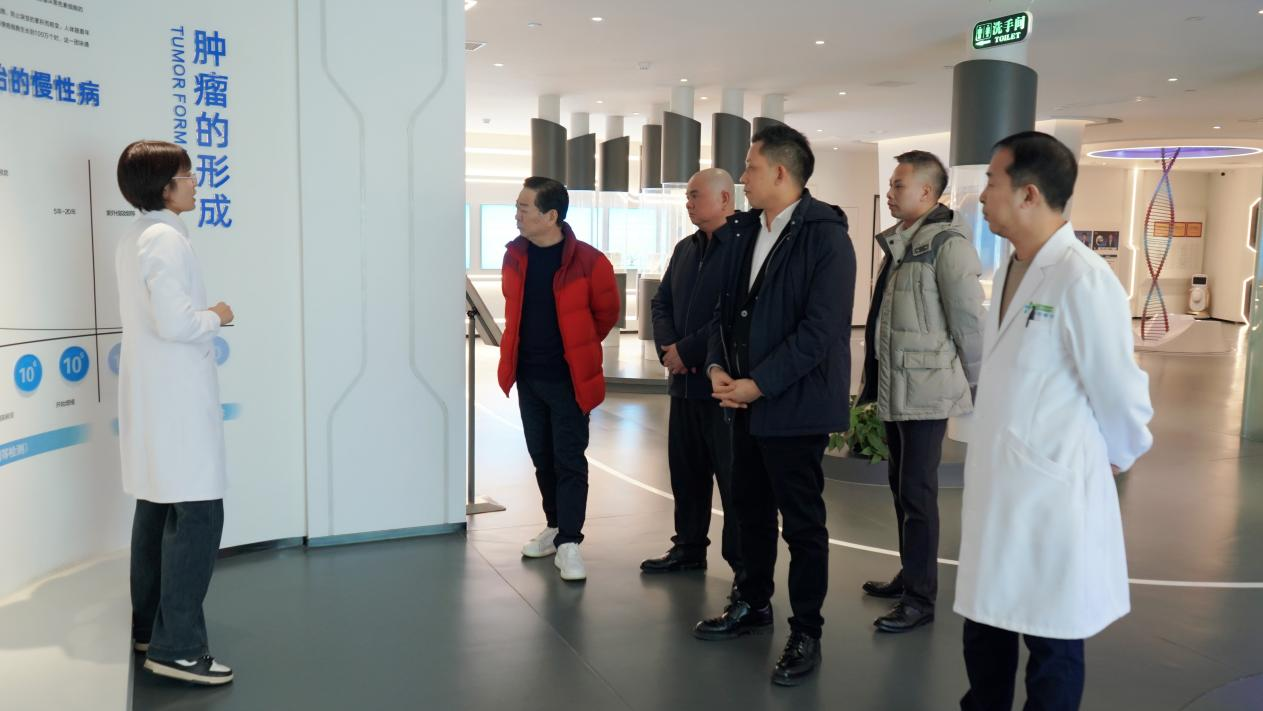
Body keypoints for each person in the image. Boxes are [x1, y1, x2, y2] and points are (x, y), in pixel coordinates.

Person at [955, 131, 1154, 710]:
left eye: (991, 181)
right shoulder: (1013, 269)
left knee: (1051, 644)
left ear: (1029, 194)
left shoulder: (1081, 277)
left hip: (1051, 495)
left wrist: (1117, 455)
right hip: (1000, 489)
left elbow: (1120, 392)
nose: (982, 195)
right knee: (985, 632)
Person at [692, 125, 856, 687]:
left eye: (751, 167)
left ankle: (806, 629)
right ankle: (752, 601)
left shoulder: (826, 237)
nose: (742, 177)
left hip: (795, 406)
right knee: (748, 509)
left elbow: (820, 331)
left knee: (802, 525)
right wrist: (717, 367)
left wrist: (758, 384)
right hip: (743, 402)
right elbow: (722, 313)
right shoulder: (744, 232)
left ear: (781, 172)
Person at [115, 140, 235, 686]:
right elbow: (177, 322)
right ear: (165, 187)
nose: (195, 184)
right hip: (177, 399)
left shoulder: (135, 236)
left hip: (156, 396)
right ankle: (179, 647)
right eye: (187, 176)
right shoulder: (165, 239)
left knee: (157, 509)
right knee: (199, 518)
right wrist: (216, 315)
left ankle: (149, 629)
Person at [858, 151, 984, 633]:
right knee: (900, 486)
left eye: (898, 185)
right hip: (899, 385)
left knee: (917, 492)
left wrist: (979, 385)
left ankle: (920, 598)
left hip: (926, 390)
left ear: (927, 193)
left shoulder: (946, 245)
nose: (890, 193)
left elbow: (969, 323)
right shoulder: (903, 242)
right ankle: (910, 575)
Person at [498, 176, 620, 582]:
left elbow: (606, 315)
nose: (517, 215)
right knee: (541, 458)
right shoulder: (514, 257)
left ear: (551, 216)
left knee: (569, 460)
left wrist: (576, 348)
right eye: (517, 207)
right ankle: (554, 527)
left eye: (524, 208)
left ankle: (570, 541)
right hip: (529, 377)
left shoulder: (591, 262)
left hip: (569, 381)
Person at [641, 168, 743, 589]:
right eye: (687, 196)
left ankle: (744, 570)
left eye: (695, 195)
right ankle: (688, 547)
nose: (688, 203)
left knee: (734, 482)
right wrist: (670, 349)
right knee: (686, 473)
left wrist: (687, 351)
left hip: (722, 389)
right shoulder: (686, 248)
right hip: (683, 387)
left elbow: (729, 316)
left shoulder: (742, 248)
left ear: (725, 199)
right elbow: (661, 301)